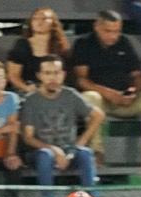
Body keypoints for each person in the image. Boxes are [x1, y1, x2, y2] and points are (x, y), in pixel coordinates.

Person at [73, 10, 141, 168]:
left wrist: (132, 91)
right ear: (97, 27)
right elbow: (82, 80)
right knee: (90, 97)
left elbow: (137, 75)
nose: (113, 36)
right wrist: (108, 93)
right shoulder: (83, 44)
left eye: (116, 31)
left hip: (124, 100)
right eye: (108, 31)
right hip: (101, 100)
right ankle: (96, 153)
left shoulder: (124, 43)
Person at [20, 54, 104, 190]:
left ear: (63, 74)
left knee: (85, 153)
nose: (53, 78)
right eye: (47, 73)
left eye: (56, 73)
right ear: (39, 75)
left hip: (69, 150)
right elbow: (28, 137)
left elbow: (98, 115)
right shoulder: (31, 100)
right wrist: (53, 150)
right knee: (45, 156)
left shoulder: (70, 95)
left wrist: (79, 143)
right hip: (40, 153)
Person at [6, 8, 69, 96]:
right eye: (35, 18)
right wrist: (26, 88)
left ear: (53, 23)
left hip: (55, 90)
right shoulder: (22, 45)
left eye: (44, 18)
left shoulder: (60, 46)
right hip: (28, 90)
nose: (39, 21)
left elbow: (65, 74)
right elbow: (13, 75)